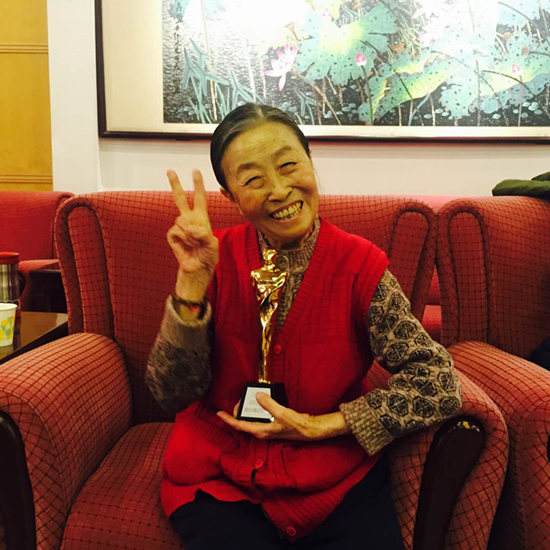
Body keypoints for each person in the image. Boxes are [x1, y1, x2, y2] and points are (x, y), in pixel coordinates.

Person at [146, 103, 462, 550]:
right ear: (230, 196)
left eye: (289, 166)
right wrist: (191, 284)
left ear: (311, 163)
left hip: (332, 474)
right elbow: (171, 393)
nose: (279, 190)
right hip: (219, 474)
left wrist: (324, 425)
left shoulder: (359, 265)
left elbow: (438, 382)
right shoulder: (211, 257)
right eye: (253, 180)